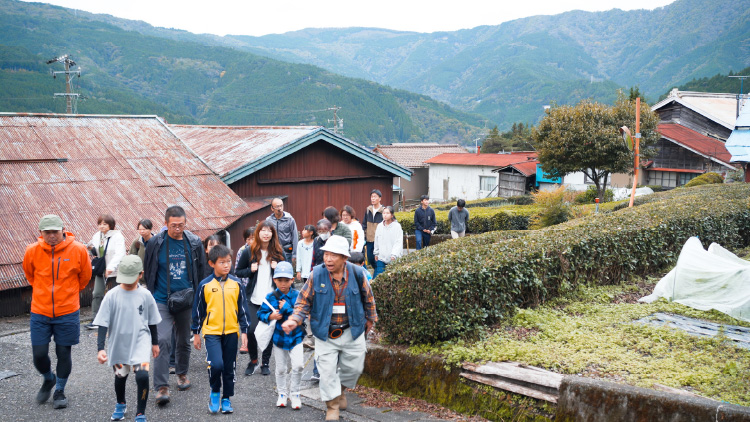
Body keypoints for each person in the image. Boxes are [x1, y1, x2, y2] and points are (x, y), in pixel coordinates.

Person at [282, 235, 378, 421]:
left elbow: (369, 297)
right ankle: (332, 407)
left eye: (334, 255)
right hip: (325, 331)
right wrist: (295, 319)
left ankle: (340, 390)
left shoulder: (357, 274)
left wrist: (371, 319)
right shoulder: (316, 274)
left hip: (353, 329)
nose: (328, 259)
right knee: (326, 372)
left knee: (354, 368)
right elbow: (303, 301)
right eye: (326, 254)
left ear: (344, 258)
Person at [23, 214, 92, 410]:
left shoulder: (78, 249)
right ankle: (48, 378)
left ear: (63, 230)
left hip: (67, 311)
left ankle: (60, 390)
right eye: (48, 232)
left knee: (63, 352)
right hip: (40, 311)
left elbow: (85, 277)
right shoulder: (32, 251)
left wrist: (67, 294)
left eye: (55, 231)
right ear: (41, 233)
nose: (52, 235)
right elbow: (30, 275)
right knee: (39, 354)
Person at [144, 205, 207, 405]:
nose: (177, 229)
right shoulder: (156, 243)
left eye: (181, 225)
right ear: (165, 223)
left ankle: (181, 373)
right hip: (162, 299)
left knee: (182, 340)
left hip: (187, 299)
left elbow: (201, 271)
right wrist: (152, 296)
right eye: (173, 225)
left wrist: (199, 298)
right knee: (162, 339)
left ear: (186, 223)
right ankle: (162, 386)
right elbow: (148, 270)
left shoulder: (194, 243)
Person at [94, 255, 161, 422]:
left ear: (140, 274)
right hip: (119, 343)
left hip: (141, 341)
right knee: (121, 375)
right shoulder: (111, 295)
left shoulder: (145, 295)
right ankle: (120, 403)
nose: (128, 282)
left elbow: (152, 321)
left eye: (133, 278)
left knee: (142, 376)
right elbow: (103, 323)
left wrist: (155, 343)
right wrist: (100, 348)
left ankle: (140, 412)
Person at [192, 244, 250, 414]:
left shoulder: (237, 283)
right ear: (212, 264)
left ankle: (226, 398)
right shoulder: (205, 285)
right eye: (222, 262)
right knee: (216, 364)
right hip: (211, 332)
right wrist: (196, 333)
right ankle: (215, 392)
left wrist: (244, 331)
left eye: (229, 261)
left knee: (229, 367)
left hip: (232, 332)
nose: (227, 265)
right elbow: (198, 310)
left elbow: (243, 309)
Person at [235, 220, 285, 376]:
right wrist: (250, 270)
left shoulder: (277, 252)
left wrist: (279, 268)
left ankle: (265, 362)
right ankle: (253, 360)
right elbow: (238, 271)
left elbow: (286, 273)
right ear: (258, 233)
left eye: (269, 231)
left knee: (268, 331)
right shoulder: (249, 251)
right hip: (253, 298)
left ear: (272, 234)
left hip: (270, 300)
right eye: (262, 230)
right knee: (251, 330)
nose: (266, 233)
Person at [257, 261, 305, 410]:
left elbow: (302, 314)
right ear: (274, 280)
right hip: (278, 338)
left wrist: (286, 308)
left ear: (292, 280)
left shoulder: (298, 295)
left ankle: (295, 394)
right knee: (281, 368)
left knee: (298, 365)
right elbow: (260, 314)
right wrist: (270, 316)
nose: (283, 284)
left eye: (286, 280)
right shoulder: (270, 296)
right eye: (280, 280)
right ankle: (282, 394)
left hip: (296, 336)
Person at [86, 214, 127, 329]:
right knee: (97, 293)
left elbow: (120, 253)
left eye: (105, 224)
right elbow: (96, 251)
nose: (102, 226)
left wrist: (111, 267)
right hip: (102, 269)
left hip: (116, 270)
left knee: (116, 295)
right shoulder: (97, 236)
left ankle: (117, 319)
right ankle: (96, 320)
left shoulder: (117, 236)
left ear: (111, 225)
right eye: (100, 224)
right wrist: (90, 250)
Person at [373, 206, 404, 279]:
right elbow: (376, 240)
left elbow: (398, 242)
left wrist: (394, 254)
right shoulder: (380, 226)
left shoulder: (397, 226)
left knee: (393, 278)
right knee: (379, 277)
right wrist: (376, 253)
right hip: (381, 257)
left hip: (394, 258)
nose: (385, 215)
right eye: (383, 213)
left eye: (387, 213)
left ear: (392, 215)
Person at [266, 198, 299, 263]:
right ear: (272, 208)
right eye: (277, 206)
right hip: (273, 252)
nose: (280, 208)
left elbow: (295, 236)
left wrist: (294, 254)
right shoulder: (268, 220)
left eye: (281, 206)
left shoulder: (289, 219)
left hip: (287, 252)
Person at [362, 189, 384, 269]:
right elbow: (364, 224)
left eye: (375, 197)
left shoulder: (384, 211)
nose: (373, 199)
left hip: (380, 240)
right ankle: (377, 271)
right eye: (371, 197)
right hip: (369, 239)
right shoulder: (368, 210)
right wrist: (363, 236)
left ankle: (378, 272)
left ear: (380, 198)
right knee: (370, 258)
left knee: (378, 259)